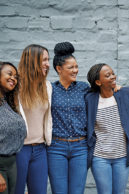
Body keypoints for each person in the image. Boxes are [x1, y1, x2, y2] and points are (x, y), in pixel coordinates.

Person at [85, 63, 129, 194]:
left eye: (113, 73)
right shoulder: (90, 99)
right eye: (107, 75)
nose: (113, 77)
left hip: (122, 156)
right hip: (100, 157)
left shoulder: (126, 93)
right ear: (98, 82)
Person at [47, 42, 89, 194]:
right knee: (59, 191)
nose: (75, 70)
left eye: (76, 67)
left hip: (80, 147)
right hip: (56, 148)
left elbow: (104, 95)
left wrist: (115, 88)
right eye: (71, 67)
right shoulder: (49, 89)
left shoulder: (84, 88)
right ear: (59, 69)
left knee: (77, 191)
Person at [15, 44, 52, 194]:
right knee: (16, 190)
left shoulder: (47, 86)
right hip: (19, 149)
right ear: (32, 61)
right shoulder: (15, 87)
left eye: (48, 60)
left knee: (39, 191)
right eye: (44, 60)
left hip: (40, 149)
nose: (48, 64)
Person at [0, 62, 26, 194]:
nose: (13, 78)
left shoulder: (6, 102)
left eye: (16, 76)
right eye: (9, 74)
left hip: (12, 163)